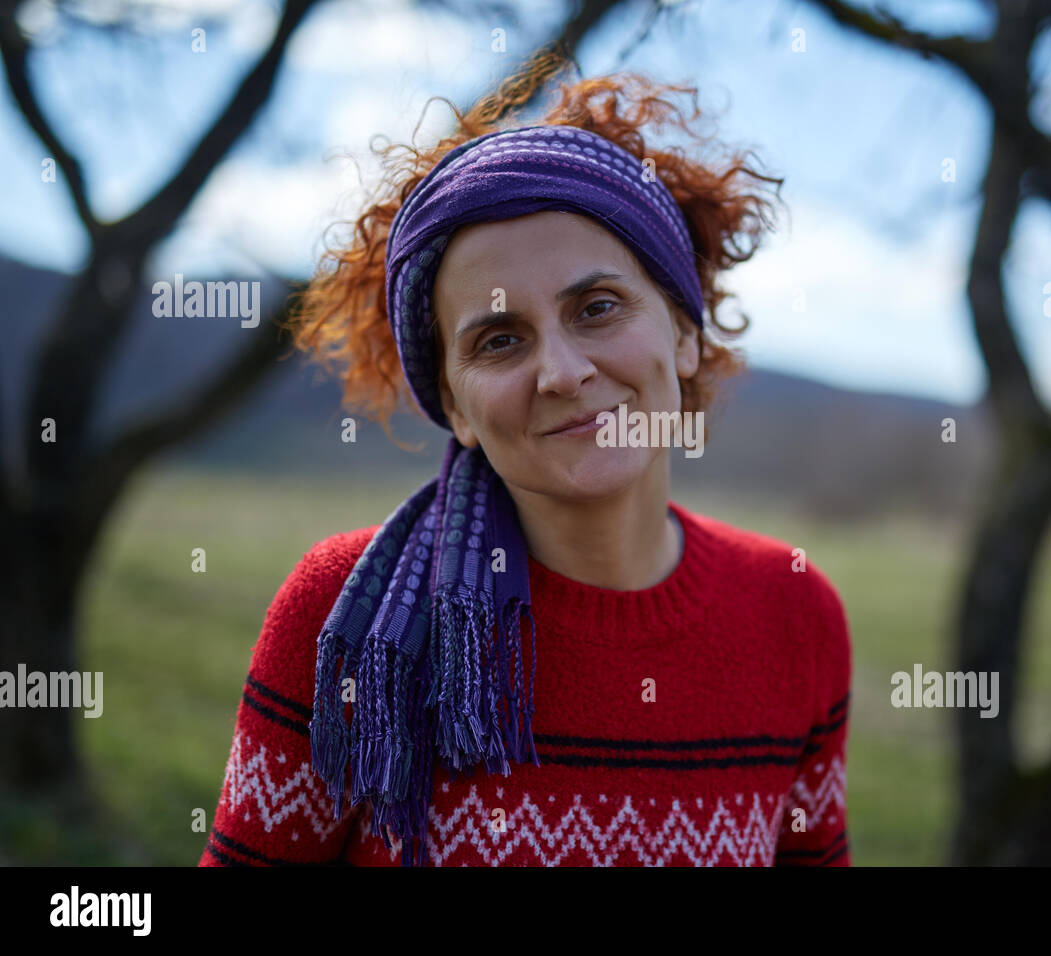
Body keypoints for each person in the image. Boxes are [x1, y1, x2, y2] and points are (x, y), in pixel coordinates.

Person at [199, 55, 852, 867]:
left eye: (598, 307)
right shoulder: (341, 621)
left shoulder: (795, 615)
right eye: (500, 340)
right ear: (456, 405)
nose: (563, 372)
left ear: (684, 333)